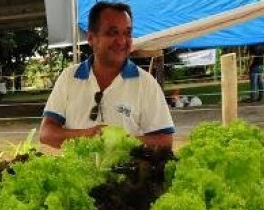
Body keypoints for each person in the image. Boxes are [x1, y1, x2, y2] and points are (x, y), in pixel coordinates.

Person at [40, 2, 174, 150]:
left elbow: (165, 141)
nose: (122, 41)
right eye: (112, 32)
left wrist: (120, 141)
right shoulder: (69, 78)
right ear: (91, 38)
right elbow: (46, 134)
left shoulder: (146, 83)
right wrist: (89, 136)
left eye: (127, 33)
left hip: (127, 173)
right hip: (78, 173)